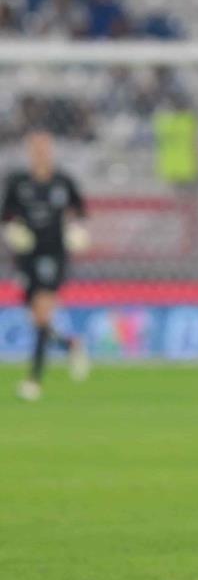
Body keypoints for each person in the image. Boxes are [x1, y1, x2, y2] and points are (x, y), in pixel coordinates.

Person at [2, 130, 91, 401]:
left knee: (42, 312)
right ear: (30, 152)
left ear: (51, 151)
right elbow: (6, 215)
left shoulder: (63, 182)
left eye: (44, 148)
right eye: (36, 149)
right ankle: (70, 344)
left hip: (54, 254)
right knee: (37, 320)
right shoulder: (18, 182)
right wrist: (14, 230)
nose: (40, 153)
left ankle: (34, 380)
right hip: (26, 257)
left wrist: (75, 230)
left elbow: (80, 210)